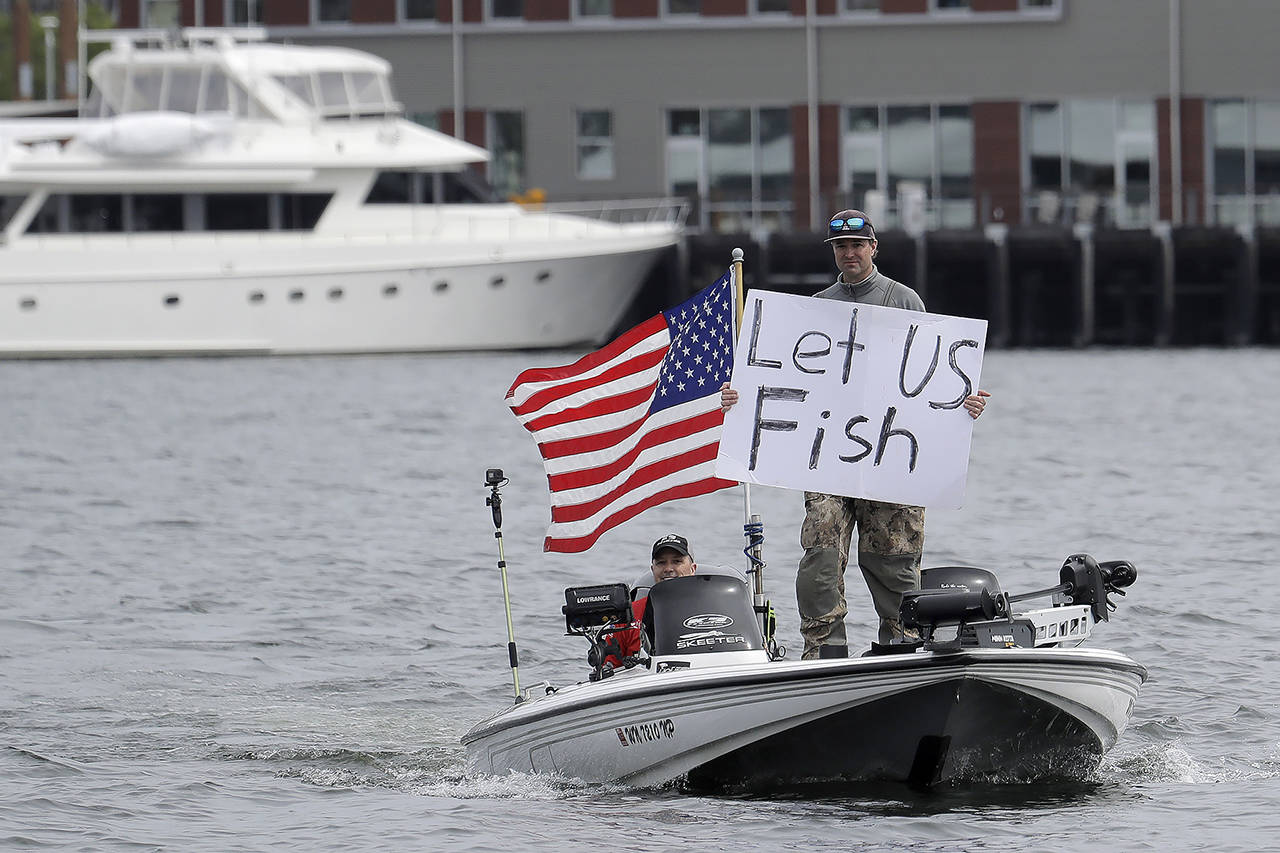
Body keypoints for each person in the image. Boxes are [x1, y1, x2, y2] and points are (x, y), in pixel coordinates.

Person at [719, 209, 990, 658]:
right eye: (841, 247)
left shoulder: (904, 301)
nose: (849, 253)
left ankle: (903, 642)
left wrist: (964, 404)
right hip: (829, 456)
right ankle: (825, 648)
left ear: (873, 248)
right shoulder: (816, 308)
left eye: (857, 245)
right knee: (821, 554)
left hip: (890, 454)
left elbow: (929, 376)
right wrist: (740, 396)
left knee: (893, 559)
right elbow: (787, 377)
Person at [604, 533, 697, 666]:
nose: (668, 569)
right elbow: (608, 667)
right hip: (646, 683)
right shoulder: (629, 615)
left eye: (677, 561)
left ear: (692, 569)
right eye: (661, 563)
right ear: (653, 569)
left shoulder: (714, 607)